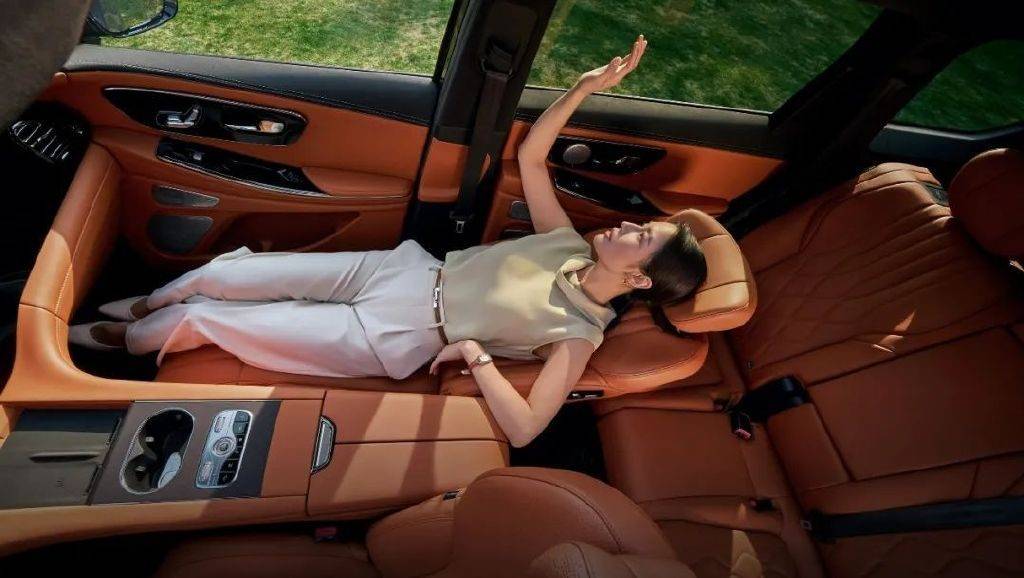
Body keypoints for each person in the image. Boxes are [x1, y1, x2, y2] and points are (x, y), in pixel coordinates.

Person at [70, 35, 707, 447]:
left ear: (639, 279)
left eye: (640, 237)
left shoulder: (578, 335)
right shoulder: (566, 244)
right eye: (639, 223)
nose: (625, 227)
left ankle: (123, 341)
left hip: (393, 335)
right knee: (223, 274)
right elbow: (534, 157)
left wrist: (476, 354)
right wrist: (585, 87)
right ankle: (146, 307)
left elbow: (525, 429)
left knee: (208, 319)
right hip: (401, 272)